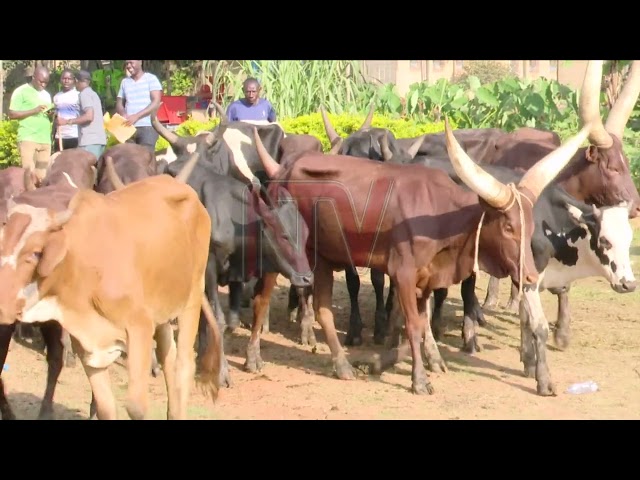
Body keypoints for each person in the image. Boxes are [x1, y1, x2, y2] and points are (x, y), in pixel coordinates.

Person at [8, 65, 55, 181]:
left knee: (42, 178)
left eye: (46, 83)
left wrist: (51, 115)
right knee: (29, 175)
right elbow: (12, 114)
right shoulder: (21, 91)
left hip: (44, 140)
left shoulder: (47, 95)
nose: (43, 85)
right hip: (28, 138)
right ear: (34, 77)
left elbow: (47, 116)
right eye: (41, 82)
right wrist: (34, 110)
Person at [115, 60, 162, 153]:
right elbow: (119, 102)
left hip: (147, 126)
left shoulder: (151, 79)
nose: (128, 66)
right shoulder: (125, 82)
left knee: (146, 159)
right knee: (130, 159)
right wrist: (123, 114)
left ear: (140, 62)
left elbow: (156, 101)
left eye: (131, 62)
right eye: (127, 63)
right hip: (128, 127)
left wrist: (136, 116)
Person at [57, 70, 107, 159]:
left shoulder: (84, 94)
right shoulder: (93, 94)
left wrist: (66, 122)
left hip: (89, 141)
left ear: (76, 81)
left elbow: (89, 116)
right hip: (99, 141)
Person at [52, 68, 80, 152]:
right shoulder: (57, 97)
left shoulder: (78, 95)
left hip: (74, 135)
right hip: (60, 136)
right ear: (60, 80)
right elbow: (55, 116)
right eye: (64, 78)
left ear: (74, 81)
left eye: (69, 79)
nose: (66, 81)